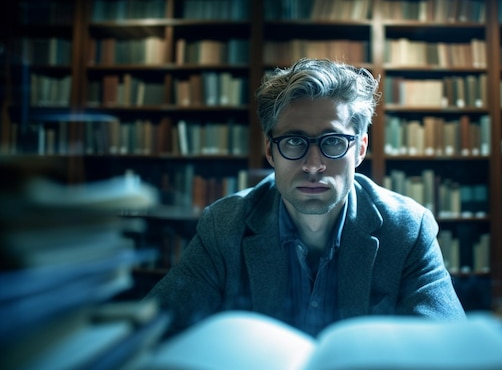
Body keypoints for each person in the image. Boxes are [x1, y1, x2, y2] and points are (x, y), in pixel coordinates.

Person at [146, 58, 466, 337]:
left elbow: (448, 351)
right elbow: (154, 332)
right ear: (271, 151)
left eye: (334, 141)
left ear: (360, 149)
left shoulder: (408, 230)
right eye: (294, 142)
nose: (314, 165)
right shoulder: (223, 226)